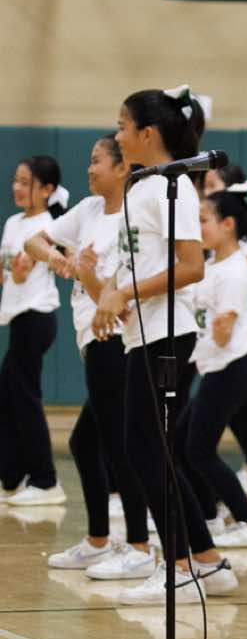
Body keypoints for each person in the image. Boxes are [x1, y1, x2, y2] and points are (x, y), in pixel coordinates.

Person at [97, 86, 240, 603]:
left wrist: (126, 294)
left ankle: (178, 567)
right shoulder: (140, 188)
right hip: (143, 332)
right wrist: (111, 295)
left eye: (122, 126)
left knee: (144, 447)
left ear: (147, 133)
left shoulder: (168, 188)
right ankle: (208, 561)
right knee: (150, 449)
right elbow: (140, 265)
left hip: (168, 333)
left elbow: (192, 266)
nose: (117, 136)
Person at [27, 136, 152, 570]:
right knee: (86, 442)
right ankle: (99, 540)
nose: (89, 168)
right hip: (90, 336)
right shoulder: (89, 210)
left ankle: (138, 547)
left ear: (122, 167)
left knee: (118, 444)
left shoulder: (135, 219)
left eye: (97, 161)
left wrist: (89, 275)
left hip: (113, 338)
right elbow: (34, 241)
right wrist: (57, 260)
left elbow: (119, 297)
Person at [184, 191, 247, 548]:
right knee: (184, 445)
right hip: (217, 368)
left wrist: (211, 330)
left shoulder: (235, 271)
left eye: (204, 220)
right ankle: (210, 517)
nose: (198, 227)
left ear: (228, 225)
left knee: (199, 450)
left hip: (233, 368)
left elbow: (223, 334)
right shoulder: (210, 267)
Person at [1, 153, 66, 504]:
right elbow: (6, 272)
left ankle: (45, 481)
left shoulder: (49, 225)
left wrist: (22, 271)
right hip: (17, 317)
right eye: (16, 180)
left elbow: (30, 271)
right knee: (8, 395)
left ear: (46, 189)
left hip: (36, 316)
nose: (17, 187)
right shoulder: (13, 223)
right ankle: (11, 478)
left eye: (25, 182)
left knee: (24, 397)